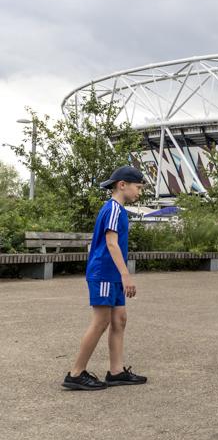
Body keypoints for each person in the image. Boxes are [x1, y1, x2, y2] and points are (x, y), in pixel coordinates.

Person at [61, 166, 149, 391]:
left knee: (119, 319)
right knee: (101, 321)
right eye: (137, 187)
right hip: (104, 274)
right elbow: (111, 243)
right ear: (122, 185)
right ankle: (76, 373)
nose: (139, 192)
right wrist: (126, 274)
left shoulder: (119, 210)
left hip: (113, 275)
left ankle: (116, 372)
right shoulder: (113, 209)